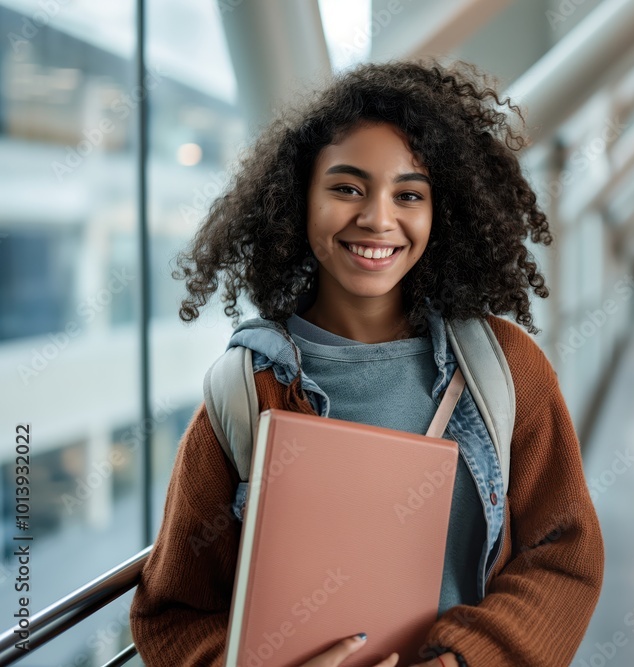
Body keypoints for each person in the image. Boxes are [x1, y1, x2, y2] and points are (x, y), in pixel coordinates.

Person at [129, 60, 605, 667]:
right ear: (299, 199)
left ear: (443, 213)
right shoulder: (243, 395)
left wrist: (462, 662)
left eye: (409, 194)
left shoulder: (507, 370)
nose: (378, 218)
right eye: (347, 188)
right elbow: (171, 615)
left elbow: (565, 552)